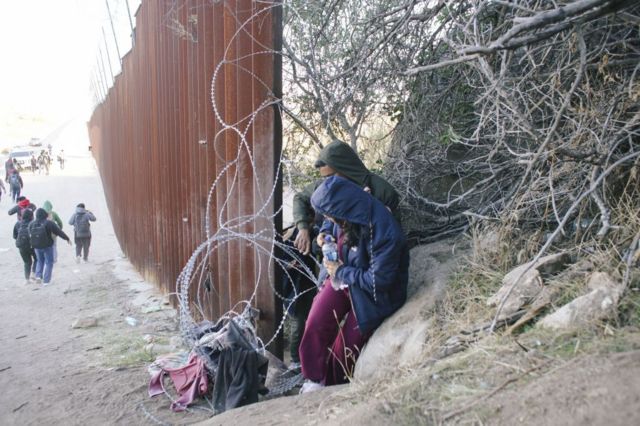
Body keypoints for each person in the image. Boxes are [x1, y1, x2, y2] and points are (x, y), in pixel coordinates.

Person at [298, 176, 409, 393]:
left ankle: (331, 387)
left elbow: (379, 282)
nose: (327, 217)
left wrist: (340, 271)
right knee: (316, 321)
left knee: (345, 348)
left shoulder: (385, 232)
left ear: (343, 211)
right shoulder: (347, 208)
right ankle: (313, 379)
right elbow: (331, 222)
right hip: (345, 275)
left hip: (374, 296)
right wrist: (325, 234)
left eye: (330, 214)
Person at [292, 139, 400, 257]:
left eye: (331, 176)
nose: (328, 182)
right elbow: (300, 198)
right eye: (325, 178)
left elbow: (389, 239)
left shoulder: (383, 192)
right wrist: (304, 229)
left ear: (346, 169)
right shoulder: (326, 186)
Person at [29, 208, 71, 286]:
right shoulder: (49, 223)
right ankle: (46, 281)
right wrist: (67, 238)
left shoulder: (32, 223)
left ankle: (38, 276)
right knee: (49, 262)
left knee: (39, 260)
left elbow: (30, 233)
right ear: (45, 214)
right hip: (47, 246)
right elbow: (58, 231)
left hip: (36, 246)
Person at [13, 209, 37, 284]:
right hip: (32, 245)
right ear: (32, 216)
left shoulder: (17, 224)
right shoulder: (33, 223)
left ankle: (27, 279)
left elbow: (14, 236)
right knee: (37, 259)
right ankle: (34, 272)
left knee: (27, 262)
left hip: (21, 246)